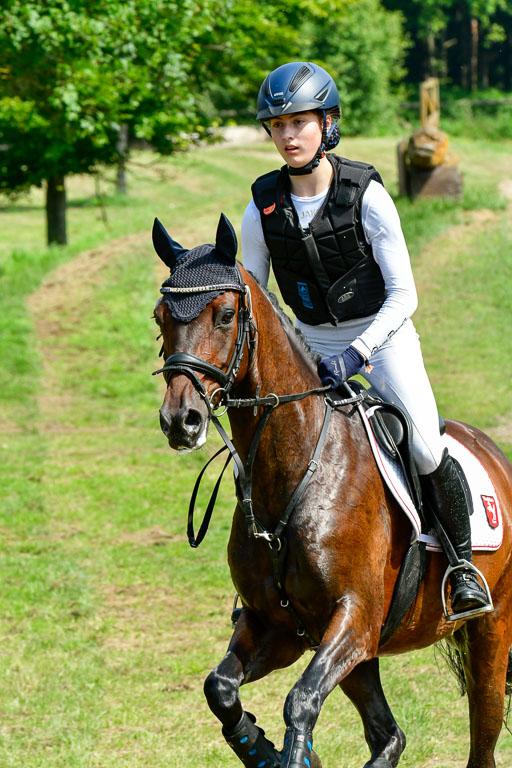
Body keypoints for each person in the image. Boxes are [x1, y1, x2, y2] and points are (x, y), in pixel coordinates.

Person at [241, 61, 491, 619]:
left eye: (299, 122)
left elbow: (404, 295)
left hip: (382, 336)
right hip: (309, 342)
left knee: (425, 444)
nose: (287, 135)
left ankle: (461, 566)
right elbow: (255, 297)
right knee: (261, 452)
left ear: (327, 123)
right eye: (277, 126)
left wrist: (358, 352)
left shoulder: (367, 195)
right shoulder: (262, 206)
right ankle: (260, 584)